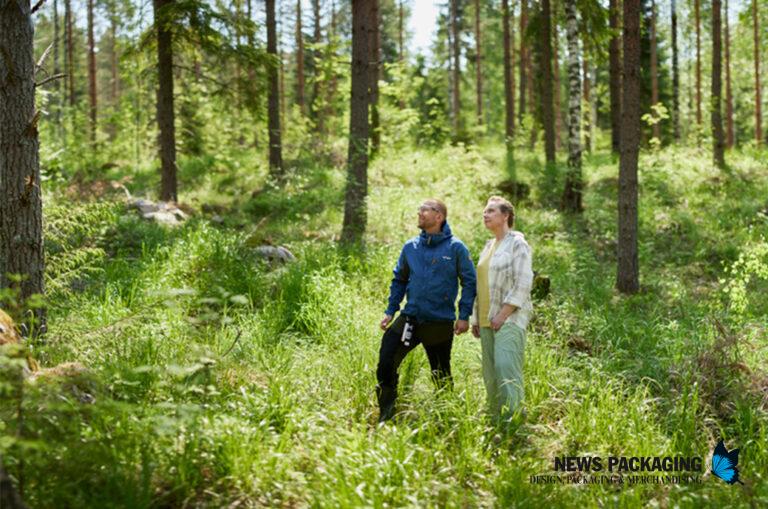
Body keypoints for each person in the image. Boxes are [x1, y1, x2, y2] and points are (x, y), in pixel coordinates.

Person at [376, 199, 477, 422]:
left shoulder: (456, 248)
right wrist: (391, 310)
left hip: (438, 323)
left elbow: (469, 282)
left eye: (424, 209)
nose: (419, 213)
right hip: (410, 318)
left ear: (439, 216)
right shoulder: (410, 247)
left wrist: (464, 316)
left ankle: (447, 416)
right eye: (419, 209)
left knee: (440, 373)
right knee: (386, 360)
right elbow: (399, 279)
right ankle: (387, 412)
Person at [471, 196, 533, 424]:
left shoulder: (518, 244)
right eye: (484, 212)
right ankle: (495, 418)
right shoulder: (489, 246)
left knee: (507, 367)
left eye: (491, 211)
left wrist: (503, 314)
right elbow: (482, 284)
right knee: (490, 373)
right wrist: (476, 318)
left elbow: (524, 282)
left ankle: (514, 419)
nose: (485, 215)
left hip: (509, 318)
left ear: (505, 216)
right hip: (487, 319)